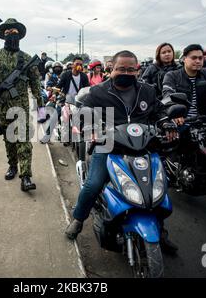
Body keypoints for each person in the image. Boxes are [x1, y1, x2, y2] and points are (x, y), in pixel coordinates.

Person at [65, 50, 179, 253]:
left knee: (158, 187)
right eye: (120, 69)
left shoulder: (148, 90)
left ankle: (160, 232)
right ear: (111, 69)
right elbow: (82, 113)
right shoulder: (98, 91)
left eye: (130, 69)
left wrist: (167, 124)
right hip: (108, 145)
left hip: (143, 146)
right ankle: (78, 219)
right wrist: (89, 128)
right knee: (93, 185)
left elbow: (159, 111)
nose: (125, 72)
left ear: (137, 70)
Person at [0, 18, 44, 191]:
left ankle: (26, 176)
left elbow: (36, 84)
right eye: (7, 32)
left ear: (19, 35)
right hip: (2, 106)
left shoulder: (27, 59)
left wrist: (41, 106)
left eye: (14, 32)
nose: (11, 35)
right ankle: (12, 165)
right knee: (8, 139)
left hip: (21, 107)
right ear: (2, 36)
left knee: (23, 141)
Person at [163, 44, 206, 121]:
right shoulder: (172, 75)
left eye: (200, 58)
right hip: (181, 122)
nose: (198, 61)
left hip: (204, 122)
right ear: (184, 59)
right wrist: (176, 113)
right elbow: (167, 96)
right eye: (194, 58)